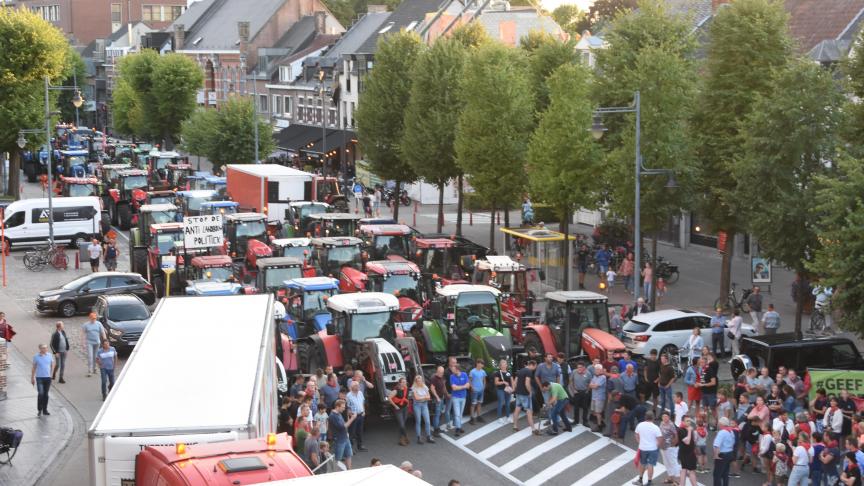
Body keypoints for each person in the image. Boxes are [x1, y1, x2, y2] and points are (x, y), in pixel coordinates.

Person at [634, 411, 663, 486]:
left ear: (645, 417)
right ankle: (649, 482)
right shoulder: (655, 427)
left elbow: (636, 435)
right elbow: (660, 438)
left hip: (643, 448)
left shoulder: (640, 425)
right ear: (653, 418)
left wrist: (640, 442)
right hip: (653, 449)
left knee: (642, 463)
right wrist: (657, 445)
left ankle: (640, 480)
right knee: (650, 465)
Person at [328, 399, 356, 470]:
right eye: (343, 407)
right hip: (339, 440)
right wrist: (352, 418)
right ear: (337, 406)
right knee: (337, 458)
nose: (344, 409)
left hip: (345, 438)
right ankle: (335, 472)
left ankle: (349, 470)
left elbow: (344, 425)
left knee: (349, 455)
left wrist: (346, 433)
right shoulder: (333, 416)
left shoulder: (338, 414)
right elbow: (343, 426)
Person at [513, 360, 538, 434]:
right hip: (525, 394)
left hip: (518, 393)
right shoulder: (528, 372)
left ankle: (515, 426)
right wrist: (530, 392)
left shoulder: (520, 371)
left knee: (517, 409)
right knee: (529, 411)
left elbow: (515, 382)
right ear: (532, 365)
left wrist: (516, 390)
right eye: (535, 367)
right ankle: (533, 429)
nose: (535, 368)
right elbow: (527, 383)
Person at [31, 344, 55, 416]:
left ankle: (45, 410)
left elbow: (53, 364)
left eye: (46, 348)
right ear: (40, 349)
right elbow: (34, 367)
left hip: (47, 378)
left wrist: (51, 373)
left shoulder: (49, 355)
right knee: (41, 393)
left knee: (46, 394)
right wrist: (32, 377)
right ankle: (39, 409)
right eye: (43, 348)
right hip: (39, 378)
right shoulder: (36, 357)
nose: (45, 349)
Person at [411, 375, 434, 444]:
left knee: (427, 421)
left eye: (420, 380)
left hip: (424, 405)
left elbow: (429, 397)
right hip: (417, 406)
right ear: (416, 381)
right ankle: (419, 437)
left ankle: (428, 436)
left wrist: (421, 397)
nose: (419, 382)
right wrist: (424, 397)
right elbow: (417, 398)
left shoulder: (425, 387)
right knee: (418, 421)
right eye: (418, 381)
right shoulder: (413, 388)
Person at [713, 417, 736, 486]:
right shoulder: (731, 431)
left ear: (721, 424)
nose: (718, 424)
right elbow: (733, 442)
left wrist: (716, 455)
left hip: (722, 454)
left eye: (719, 423)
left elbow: (716, 445)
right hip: (729, 453)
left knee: (717, 474)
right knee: (725, 473)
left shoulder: (721, 432)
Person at [659, 411, 682, 484]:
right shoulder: (662, 423)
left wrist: (673, 445)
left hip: (670, 448)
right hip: (663, 447)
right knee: (666, 463)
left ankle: (678, 480)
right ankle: (671, 478)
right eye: (663, 416)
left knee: (673, 463)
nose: (664, 418)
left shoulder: (671, 425)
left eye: (666, 416)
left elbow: (676, 436)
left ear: (669, 417)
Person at [82, 312, 106, 377]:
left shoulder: (99, 324)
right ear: (90, 318)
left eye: (95, 318)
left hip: (97, 342)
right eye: (92, 318)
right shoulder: (86, 325)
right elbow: (84, 334)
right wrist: (83, 343)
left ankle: (94, 368)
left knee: (96, 356)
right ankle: (89, 370)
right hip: (89, 342)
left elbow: (102, 332)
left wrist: (105, 340)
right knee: (90, 356)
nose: (94, 319)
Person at [388, 377, 410, 445]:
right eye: (402, 382)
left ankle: (401, 440)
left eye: (405, 382)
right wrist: (395, 406)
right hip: (398, 410)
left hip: (405, 408)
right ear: (399, 383)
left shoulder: (406, 389)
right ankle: (406, 436)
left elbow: (406, 397)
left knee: (402, 425)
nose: (404, 383)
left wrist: (407, 404)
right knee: (402, 425)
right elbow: (389, 398)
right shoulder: (396, 390)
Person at [346, 382, 367, 450]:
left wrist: (364, 411)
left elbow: (362, 402)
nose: (358, 387)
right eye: (356, 386)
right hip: (353, 416)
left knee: (360, 431)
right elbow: (347, 407)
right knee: (352, 432)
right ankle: (350, 448)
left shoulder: (360, 393)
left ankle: (360, 446)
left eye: (358, 385)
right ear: (352, 387)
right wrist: (350, 415)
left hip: (361, 415)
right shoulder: (348, 395)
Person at [449, 364, 470, 436]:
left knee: (460, 414)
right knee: (457, 414)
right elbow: (454, 388)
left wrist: (459, 387)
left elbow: (468, 386)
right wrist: (463, 386)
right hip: (455, 398)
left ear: (457, 369)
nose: (452, 369)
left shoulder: (464, 374)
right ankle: (457, 428)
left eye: (453, 368)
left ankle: (459, 426)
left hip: (463, 397)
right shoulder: (452, 376)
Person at [569, 361, 591, 426]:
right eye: (578, 367)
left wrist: (588, 390)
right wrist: (573, 390)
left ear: (584, 367)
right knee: (576, 407)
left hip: (585, 392)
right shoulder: (574, 372)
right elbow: (571, 380)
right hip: (577, 392)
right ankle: (576, 420)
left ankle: (585, 421)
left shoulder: (588, 373)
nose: (579, 369)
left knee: (585, 407)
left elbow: (590, 382)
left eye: (580, 367)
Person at [431, 365, 449, 435]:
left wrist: (446, 394)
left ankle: (437, 427)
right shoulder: (434, 378)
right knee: (437, 414)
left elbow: (443, 386)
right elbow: (432, 388)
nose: (441, 374)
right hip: (437, 399)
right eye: (440, 372)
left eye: (442, 372)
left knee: (440, 414)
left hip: (442, 398)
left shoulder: (441, 377)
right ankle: (435, 430)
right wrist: (437, 397)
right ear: (437, 371)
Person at [494, 359, 513, 424]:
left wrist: (512, 389)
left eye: (505, 364)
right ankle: (499, 417)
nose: (504, 365)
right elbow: (496, 382)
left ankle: (508, 417)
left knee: (508, 403)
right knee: (501, 403)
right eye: (503, 364)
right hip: (500, 389)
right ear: (500, 365)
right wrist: (503, 382)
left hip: (508, 389)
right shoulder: (497, 373)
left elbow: (512, 381)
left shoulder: (509, 372)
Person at [468, 359, 487, 425]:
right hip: (475, 390)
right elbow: (469, 380)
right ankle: (472, 418)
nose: (482, 365)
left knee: (479, 403)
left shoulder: (483, 372)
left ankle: (479, 416)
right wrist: (472, 387)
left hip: (481, 390)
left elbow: (484, 380)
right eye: (481, 364)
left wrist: (484, 387)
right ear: (477, 363)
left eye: (482, 364)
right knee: (473, 404)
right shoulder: (472, 371)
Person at [643, 350, 661, 415]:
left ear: (656, 355)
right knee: (645, 395)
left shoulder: (658, 362)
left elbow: (660, 373)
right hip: (648, 382)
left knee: (655, 397)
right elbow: (645, 369)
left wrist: (657, 380)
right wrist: (645, 378)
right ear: (650, 355)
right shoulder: (647, 361)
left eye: (654, 355)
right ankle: (643, 409)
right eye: (652, 355)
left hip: (655, 383)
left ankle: (654, 410)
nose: (653, 356)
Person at [589, 364, 607, 430]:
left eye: (597, 369)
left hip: (599, 397)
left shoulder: (603, 377)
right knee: (594, 411)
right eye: (595, 369)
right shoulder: (595, 376)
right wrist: (593, 385)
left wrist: (593, 385)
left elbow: (595, 386)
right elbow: (590, 385)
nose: (596, 370)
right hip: (594, 397)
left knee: (598, 412)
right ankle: (602, 423)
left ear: (601, 370)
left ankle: (599, 426)